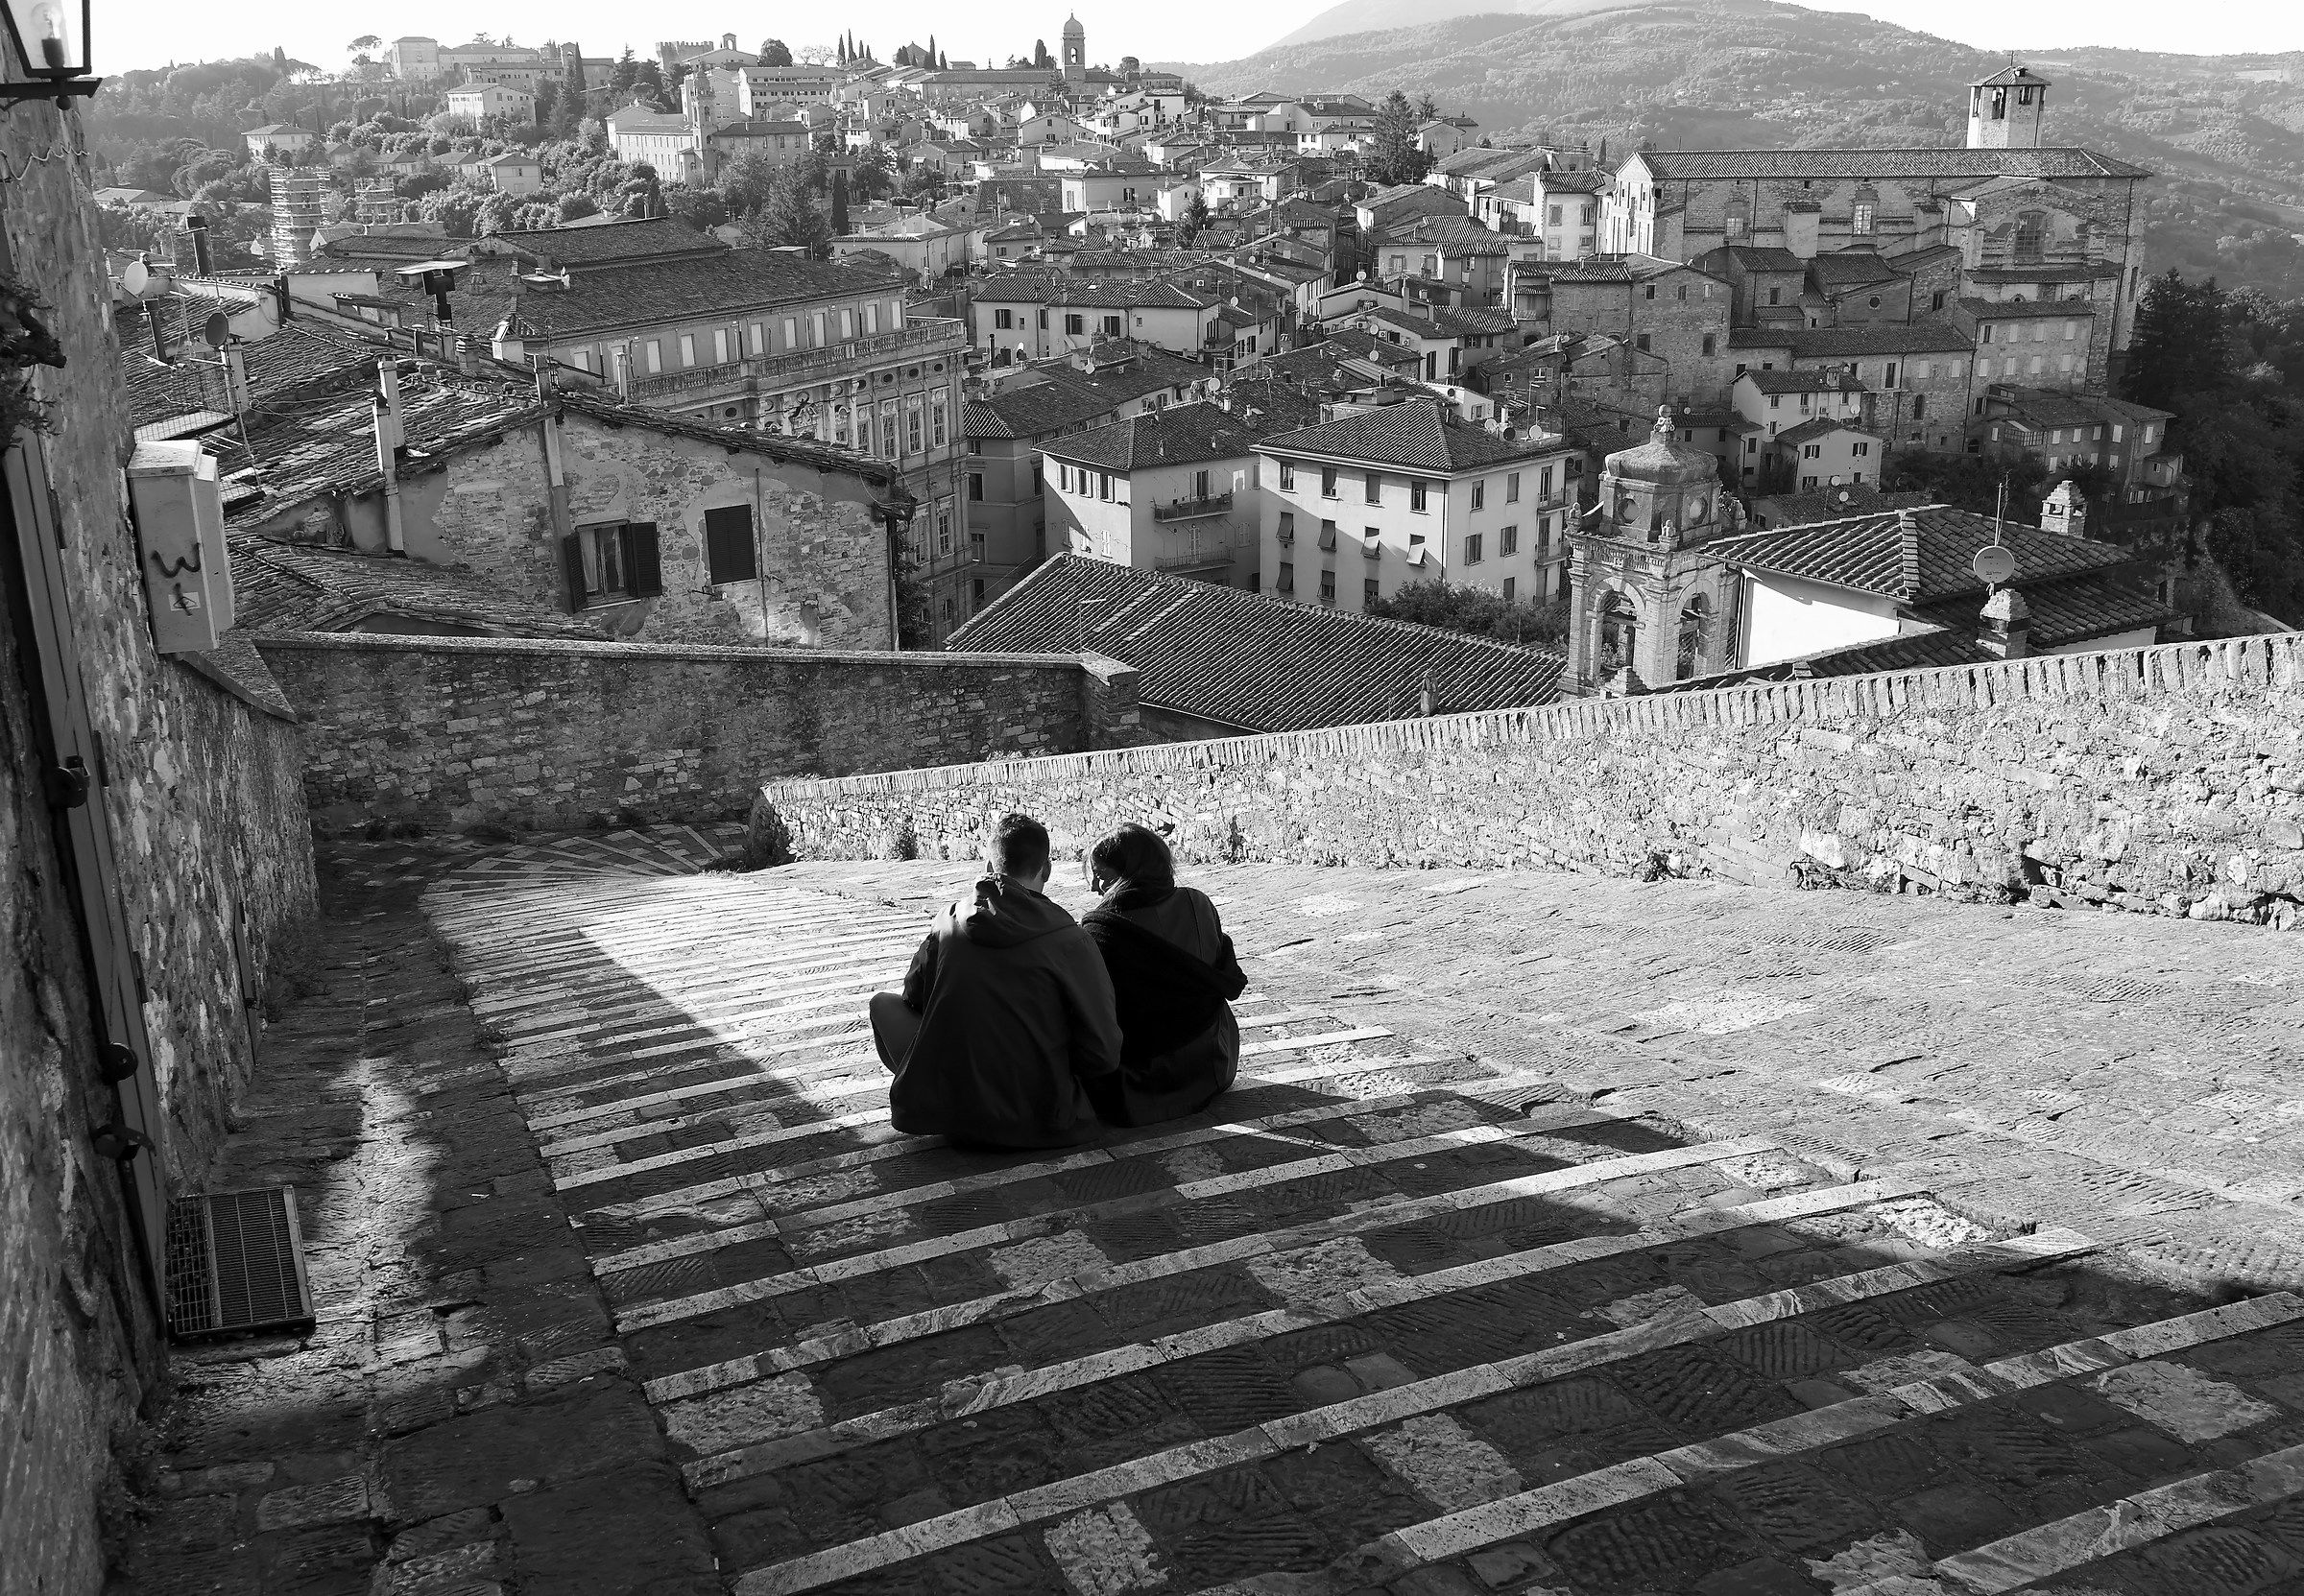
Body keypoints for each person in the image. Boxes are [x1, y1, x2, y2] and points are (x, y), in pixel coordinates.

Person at [869, 812, 1124, 1149]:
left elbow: (913, 997)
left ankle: (935, 1099)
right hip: (1046, 1117)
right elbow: (1103, 1053)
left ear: (989, 866)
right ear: (1046, 870)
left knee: (882, 1004)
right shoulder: (1071, 939)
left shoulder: (947, 921)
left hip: (956, 1114)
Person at [1078, 823, 1246, 1126]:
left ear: (1131, 872)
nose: (1094, 888)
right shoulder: (1199, 903)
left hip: (1140, 1088)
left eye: (1101, 877)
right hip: (1216, 1063)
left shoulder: (1100, 931)